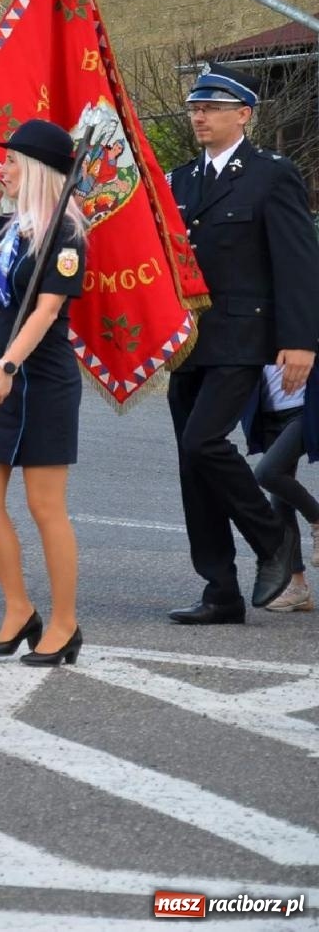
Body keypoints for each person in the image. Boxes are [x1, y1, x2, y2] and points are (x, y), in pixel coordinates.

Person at [164, 63, 319, 624]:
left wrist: (300, 341)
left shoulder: (270, 175)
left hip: (243, 337)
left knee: (204, 443)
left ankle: (272, 541)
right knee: (190, 463)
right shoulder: (179, 180)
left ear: (243, 114)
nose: (199, 116)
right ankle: (220, 590)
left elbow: (297, 262)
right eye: (194, 109)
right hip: (187, 342)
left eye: (211, 108)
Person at [0, 120, 88, 666]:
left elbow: (47, 311)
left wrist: (7, 364)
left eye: (10, 162)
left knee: (44, 505)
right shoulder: (9, 225)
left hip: (42, 378)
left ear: (34, 169)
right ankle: (18, 609)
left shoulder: (67, 234)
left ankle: (64, 623)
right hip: (2, 376)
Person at [239, 364, 319, 612]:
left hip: (305, 406)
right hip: (271, 407)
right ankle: (298, 586)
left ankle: (317, 519)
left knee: (267, 473)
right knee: (280, 499)